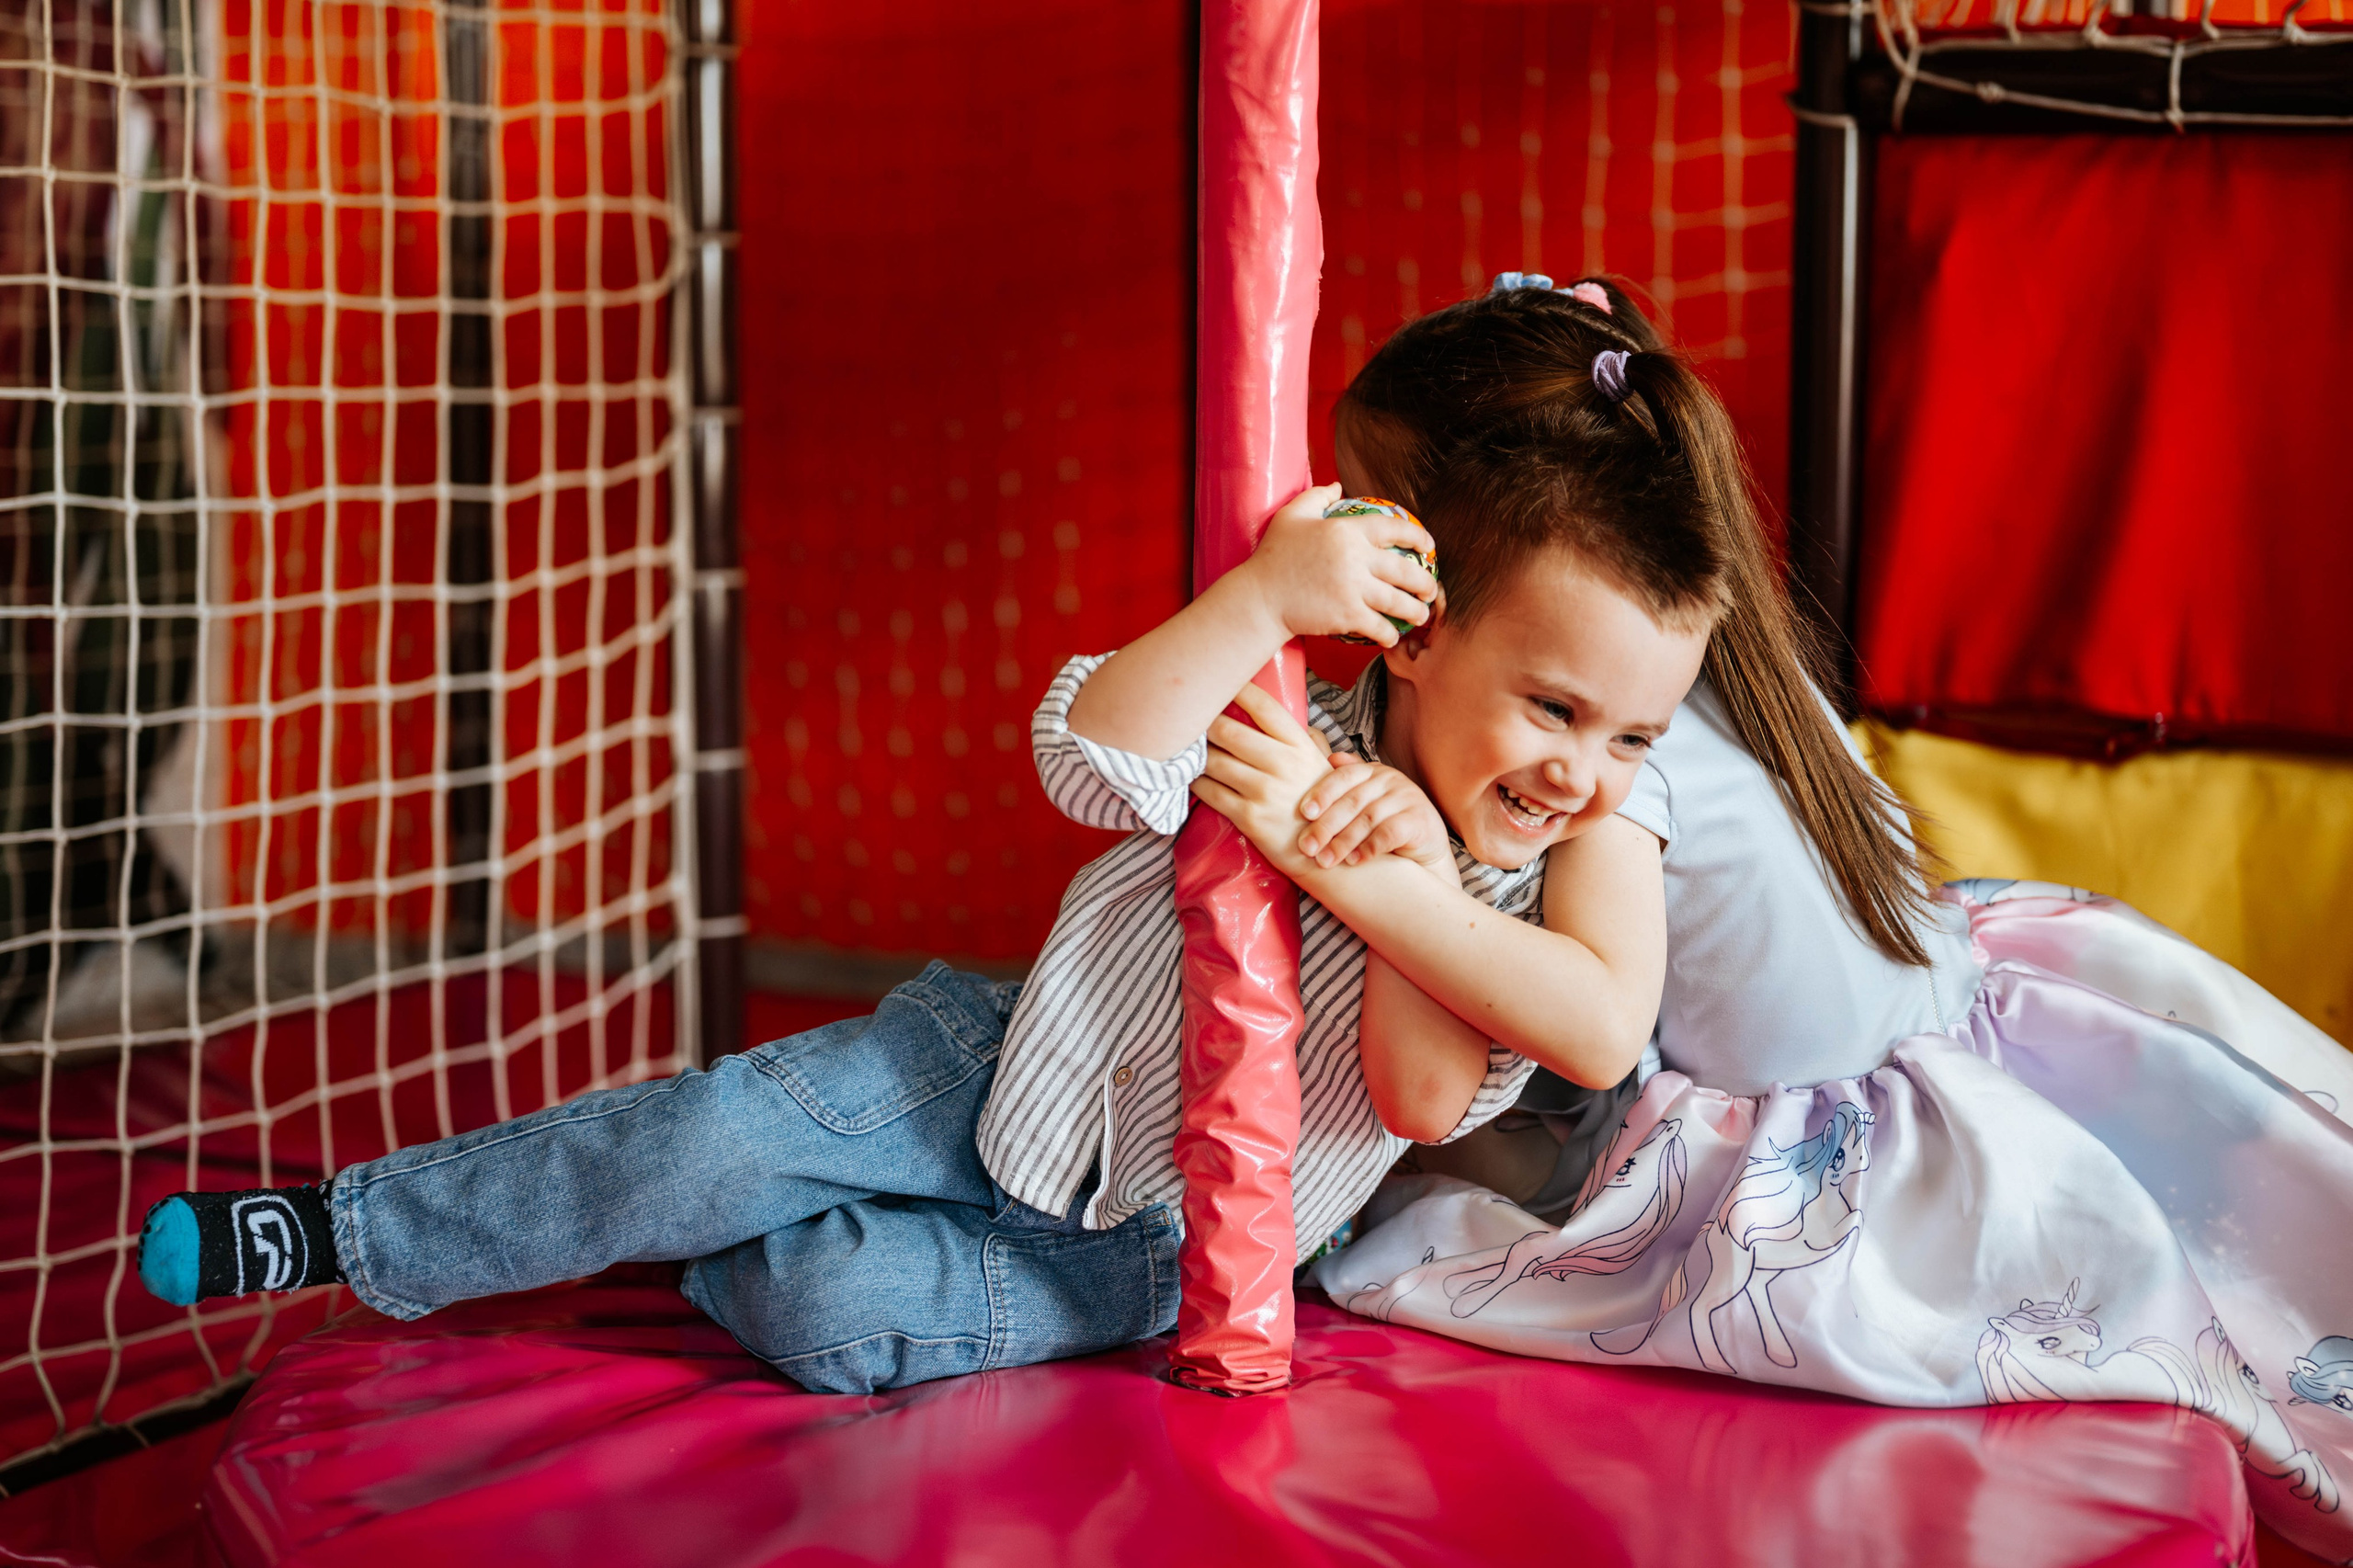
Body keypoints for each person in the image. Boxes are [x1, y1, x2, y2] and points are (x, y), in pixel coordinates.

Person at [131, 283, 1711, 1397]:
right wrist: (1254, 609)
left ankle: (694, 1245)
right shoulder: (1299, 715)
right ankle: (344, 1227)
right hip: (997, 1063)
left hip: (1156, 1239)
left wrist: (1393, 879)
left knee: (830, 1310)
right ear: (1422, 637)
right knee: (707, 1143)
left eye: (1634, 736)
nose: (1587, 770)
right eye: (1557, 710)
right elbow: (1086, 759)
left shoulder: (1509, 873)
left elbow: (1435, 1082)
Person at [1228, 276, 2352, 1561]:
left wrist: (1370, 874)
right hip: (1983, 1006)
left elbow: (1596, 1027)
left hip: (1854, 1147)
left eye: (1377, 533)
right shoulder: (1680, 649)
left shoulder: (1592, 750)